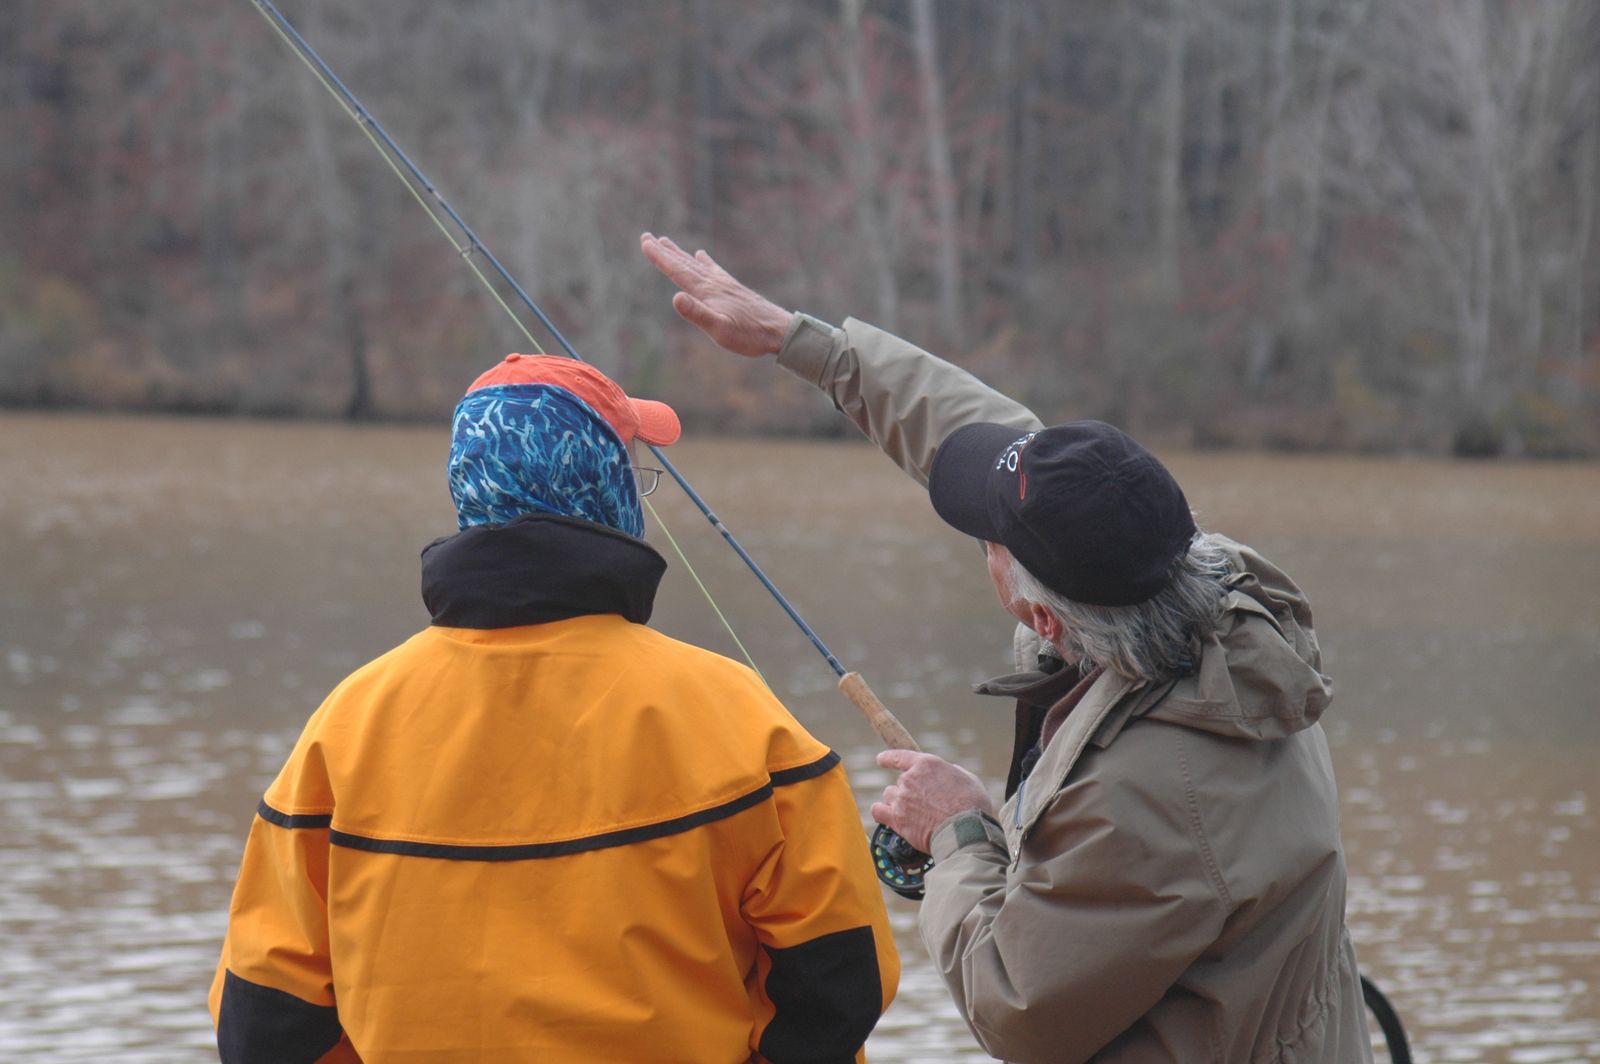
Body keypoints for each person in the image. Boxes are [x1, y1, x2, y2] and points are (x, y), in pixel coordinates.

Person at [641, 232, 1374, 1063]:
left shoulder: (1150, 801)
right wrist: (801, 343)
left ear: (1046, 621)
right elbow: (1016, 451)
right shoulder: (1200, 588)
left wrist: (957, 835)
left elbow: (1017, 1006)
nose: (980, 541)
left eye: (988, 540)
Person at [209, 352, 899, 1063]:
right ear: (602, 486)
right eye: (634, 469)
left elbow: (263, 1020)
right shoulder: (742, 720)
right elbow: (840, 981)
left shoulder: (346, 725)